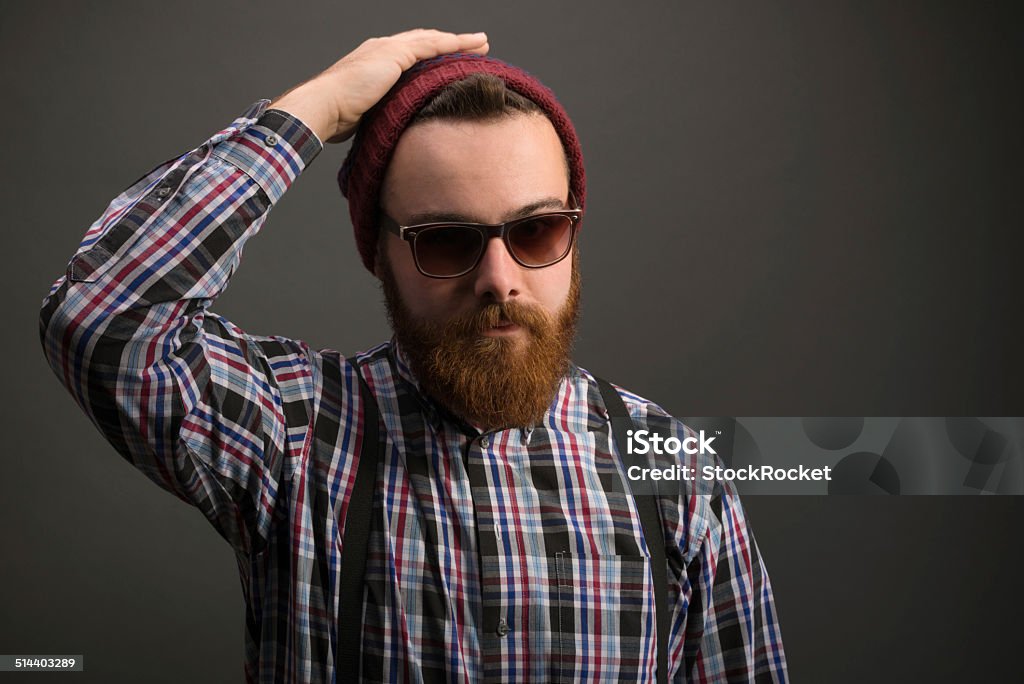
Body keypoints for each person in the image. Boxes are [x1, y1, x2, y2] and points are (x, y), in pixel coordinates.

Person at [39, 29, 787, 683]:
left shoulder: (677, 476)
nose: (500, 280)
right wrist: (317, 106)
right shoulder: (297, 436)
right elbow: (102, 316)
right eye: (447, 241)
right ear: (381, 257)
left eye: (537, 233)